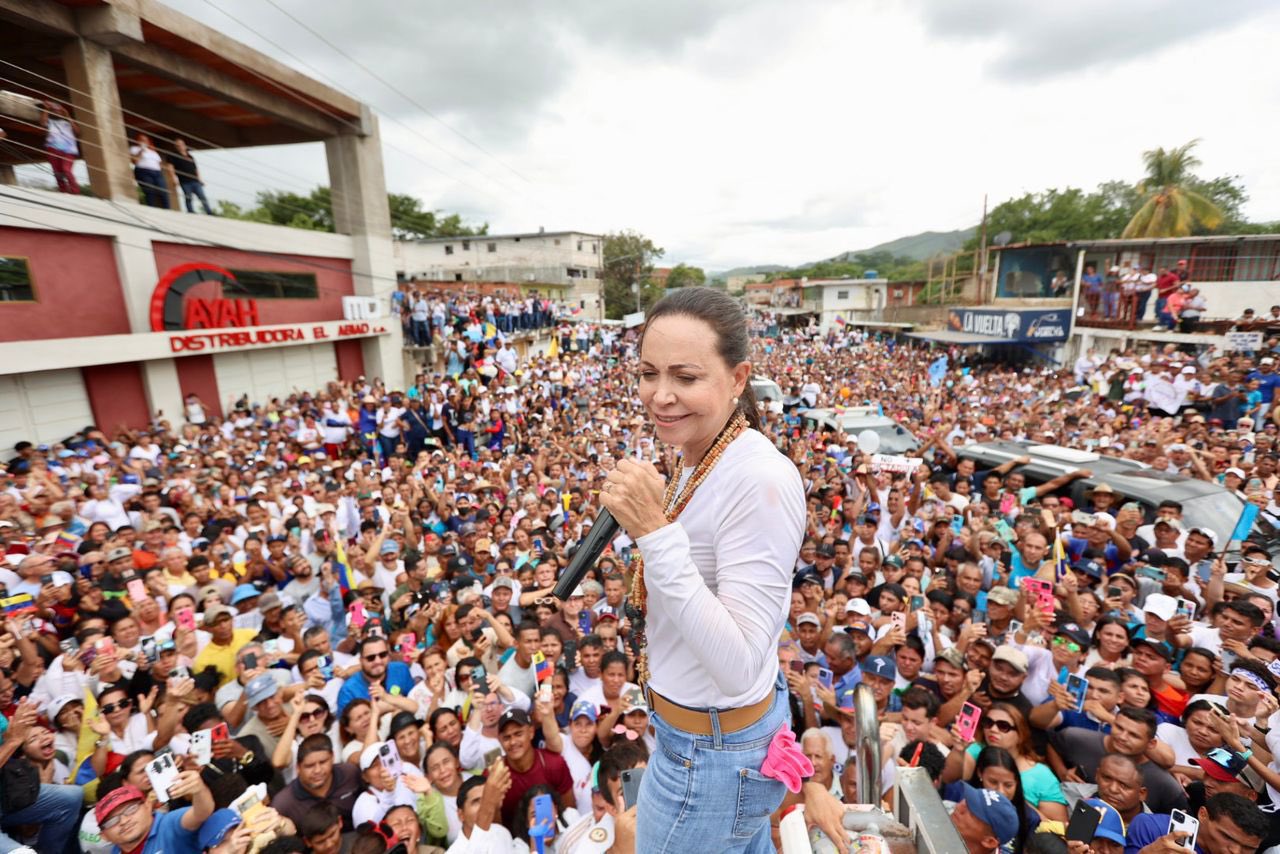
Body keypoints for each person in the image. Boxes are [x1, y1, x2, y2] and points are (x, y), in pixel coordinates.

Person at [598, 288, 829, 852]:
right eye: (649, 373)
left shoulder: (760, 477)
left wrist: (653, 530)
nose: (661, 395)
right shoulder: (698, 454)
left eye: (686, 377)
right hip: (703, 740)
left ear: (738, 377)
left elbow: (736, 662)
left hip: (711, 760)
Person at [164, 138, 215, 215]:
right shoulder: (172, 156)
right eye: (178, 145)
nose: (180, 146)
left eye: (181, 145)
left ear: (184, 146)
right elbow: (170, 167)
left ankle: (209, 212)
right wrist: (173, 178)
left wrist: (199, 179)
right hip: (184, 181)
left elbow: (195, 169)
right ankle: (190, 212)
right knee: (188, 197)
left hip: (195, 181)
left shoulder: (190, 156)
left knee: (202, 196)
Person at [39, 100, 80, 194]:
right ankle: (63, 190)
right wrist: (47, 109)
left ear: (62, 112)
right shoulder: (50, 121)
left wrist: (68, 116)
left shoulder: (68, 123)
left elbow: (77, 132)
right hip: (53, 149)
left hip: (69, 150)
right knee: (57, 172)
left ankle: (75, 191)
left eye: (59, 110)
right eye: (54, 110)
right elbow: (42, 123)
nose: (57, 112)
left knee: (66, 170)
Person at [129, 133, 169, 209]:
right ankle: (151, 207)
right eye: (142, 140)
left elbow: (159, 163)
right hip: (144, 171)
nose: (144, 141)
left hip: (157, 173)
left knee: (163, 190)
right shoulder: (134, 149)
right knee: (149, 191)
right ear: (138, 141)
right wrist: (141, 151)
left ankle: (167, 208)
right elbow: (134, 161)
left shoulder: (153, 152)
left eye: (145, 140)